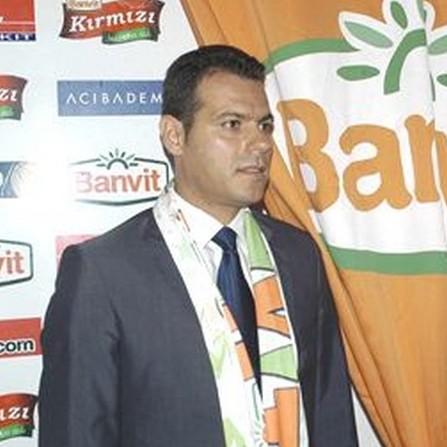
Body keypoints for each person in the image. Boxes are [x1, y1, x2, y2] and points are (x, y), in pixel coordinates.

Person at [39, 44, 358, 447]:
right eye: (232, 124)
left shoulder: (298, 256)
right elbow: (76, 432)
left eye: (264, 126)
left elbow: (330, 415)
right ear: (174, 135)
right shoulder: (103, 273)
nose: (260, 144)